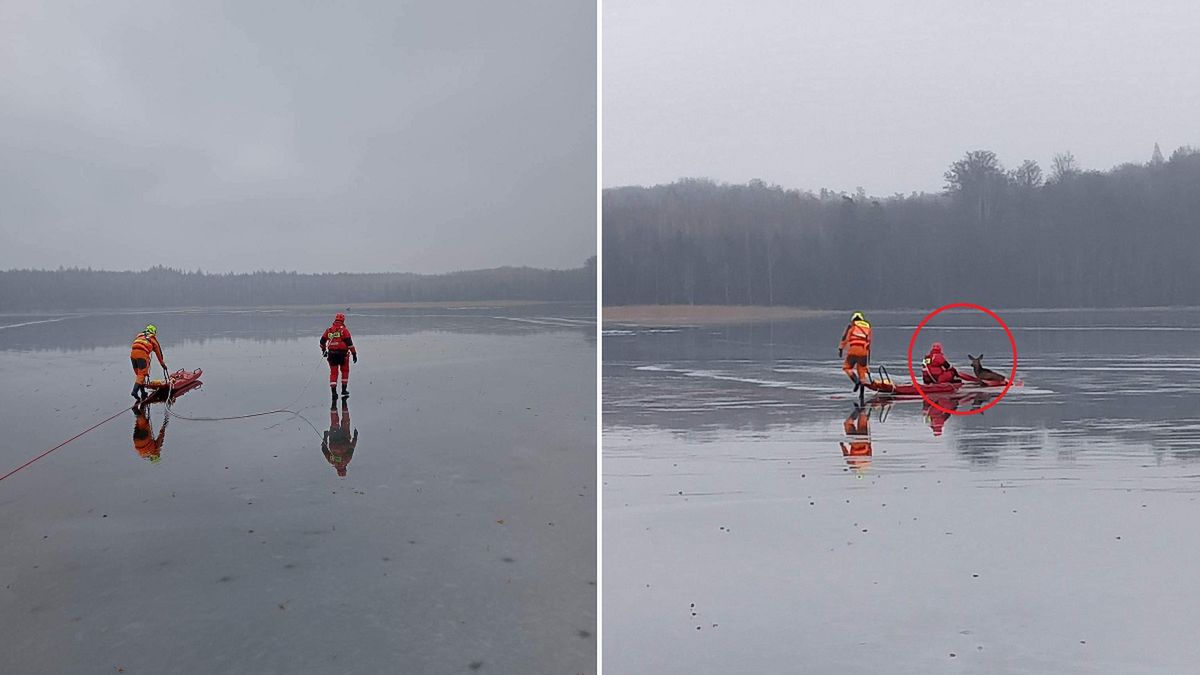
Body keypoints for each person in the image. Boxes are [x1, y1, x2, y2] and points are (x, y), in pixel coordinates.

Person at [320, 312, 359, 402]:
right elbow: (350, 344)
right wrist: (354, 354)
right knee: (345, 371)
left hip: (331, 354)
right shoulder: (344, 330)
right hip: (343, 355)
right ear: (343, 320)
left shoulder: (329, 330)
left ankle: (334, 393)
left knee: (333, 373)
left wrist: (323, 351)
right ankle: (344, 390)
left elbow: (322, 342)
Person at [130, 324, 167, 403]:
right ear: (153, 332)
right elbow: (159, 354)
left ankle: (143, 392)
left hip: (133, 355)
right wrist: (163, 364)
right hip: (142, 355)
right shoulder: (153, 340)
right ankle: (134, 391)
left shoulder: (139, 336)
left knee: (139, 375)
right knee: (142, 374)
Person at [322, 400, 358, 477]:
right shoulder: (332, 461)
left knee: (346, 422)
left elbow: (351, 447)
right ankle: (333, 410)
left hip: (344, 439)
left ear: (345, 468)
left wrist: (355, 436)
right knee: (334, 423)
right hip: (333, 441)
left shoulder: (346, 460)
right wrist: (325, 436)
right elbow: (324, 449)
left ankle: (344, 406)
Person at [838, 311, 872, 391]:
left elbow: (845, 338)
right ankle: (861, 395)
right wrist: (868, 364)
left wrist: (841, 349)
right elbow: (869, 343)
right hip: (864, 352)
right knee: (862, 372)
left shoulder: (851, 327)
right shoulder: (868, 327)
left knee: (847, 368)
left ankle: (856, 381)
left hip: (853, 350)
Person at [839, 404, 872, 472]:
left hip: (864, 441)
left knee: (862, 420)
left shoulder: (867, 463)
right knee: (848, 423)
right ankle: (857, 411)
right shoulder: (852, 463)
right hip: (855, 443)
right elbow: (846, 454)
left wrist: (868, 441)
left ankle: (862, 410)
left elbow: (870, 450)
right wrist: (842, 445)